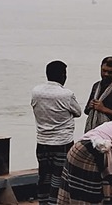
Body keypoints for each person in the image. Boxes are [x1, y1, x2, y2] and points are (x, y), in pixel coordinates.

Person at [31, 60, 82, 205]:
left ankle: (43, 202)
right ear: (62, 75)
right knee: (59, 178)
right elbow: (77, 112)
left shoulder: (36, 92)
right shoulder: (66, 94)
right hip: (62, 142)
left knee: (44, 176)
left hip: (42, 142)